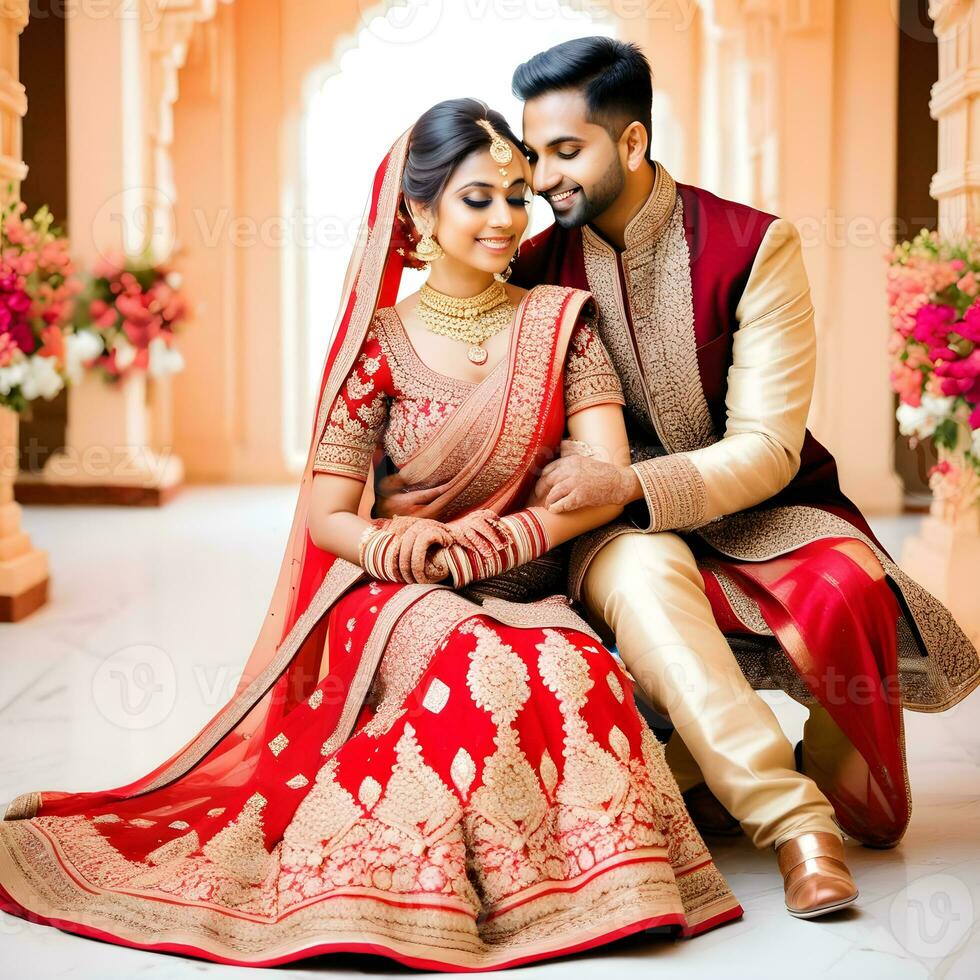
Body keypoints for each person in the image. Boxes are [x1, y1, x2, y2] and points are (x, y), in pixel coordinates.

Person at [0, 99, 744, 970]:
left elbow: (604, 477)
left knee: (572, 666)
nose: (506, 218)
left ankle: (586, 884)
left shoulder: (560, 323)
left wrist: (511, 540)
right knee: (479, 664)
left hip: (527, 584)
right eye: (477, 199)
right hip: (396, 595)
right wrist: (395, 548)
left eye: (516, 195)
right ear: (417, 212)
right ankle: (400, 884)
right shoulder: (378, 347)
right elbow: (330, 513)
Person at [502, 37, 979, 914]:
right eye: (535, 154)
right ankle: (793, 824)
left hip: (764, 501)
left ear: (633, 143)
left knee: (847, 587)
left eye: (566, 152)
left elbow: (767, 444)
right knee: (648, 585)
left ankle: (785, 776)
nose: (543, 177)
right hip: (614, 526)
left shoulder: (753, 245)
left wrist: (637, 485)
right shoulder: (532, 268)